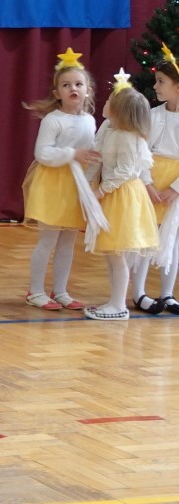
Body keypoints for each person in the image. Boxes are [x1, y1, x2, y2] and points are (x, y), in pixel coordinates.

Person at [21, 51, 98, 310]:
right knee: (48, 240)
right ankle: (35, 291)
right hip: (53, 185)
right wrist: (72, 154)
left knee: (67, 241)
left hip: (77, 186)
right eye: (66, 85)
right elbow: (42, 153)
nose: (73, 88)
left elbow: (91, 154)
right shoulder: (53, 120)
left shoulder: (89, 120)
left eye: (78, 84)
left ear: (88, 90)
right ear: (57, 93)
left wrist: (90, 182)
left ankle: (61, 290)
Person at [87, 82, 159, 321]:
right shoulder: (112, 131)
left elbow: (125, 172)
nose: (106, 102)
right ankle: (114, 301)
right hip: (116, 194)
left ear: (119, 111)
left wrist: (101, 191)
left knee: (117, 255)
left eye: (110, 101)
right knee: (112, 254)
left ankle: (118, 305)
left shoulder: (127, 137)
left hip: (123, 196)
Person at [133, 50, 179, 315]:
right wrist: (148, 184)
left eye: (161, 81)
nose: (155, 86)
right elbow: (141, 152)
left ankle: (167, 293)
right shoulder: (152, 115)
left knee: (172, 239)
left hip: (174, 187)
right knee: (145, 238)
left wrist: (175, 189)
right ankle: (139, 292)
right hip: (151, 183)